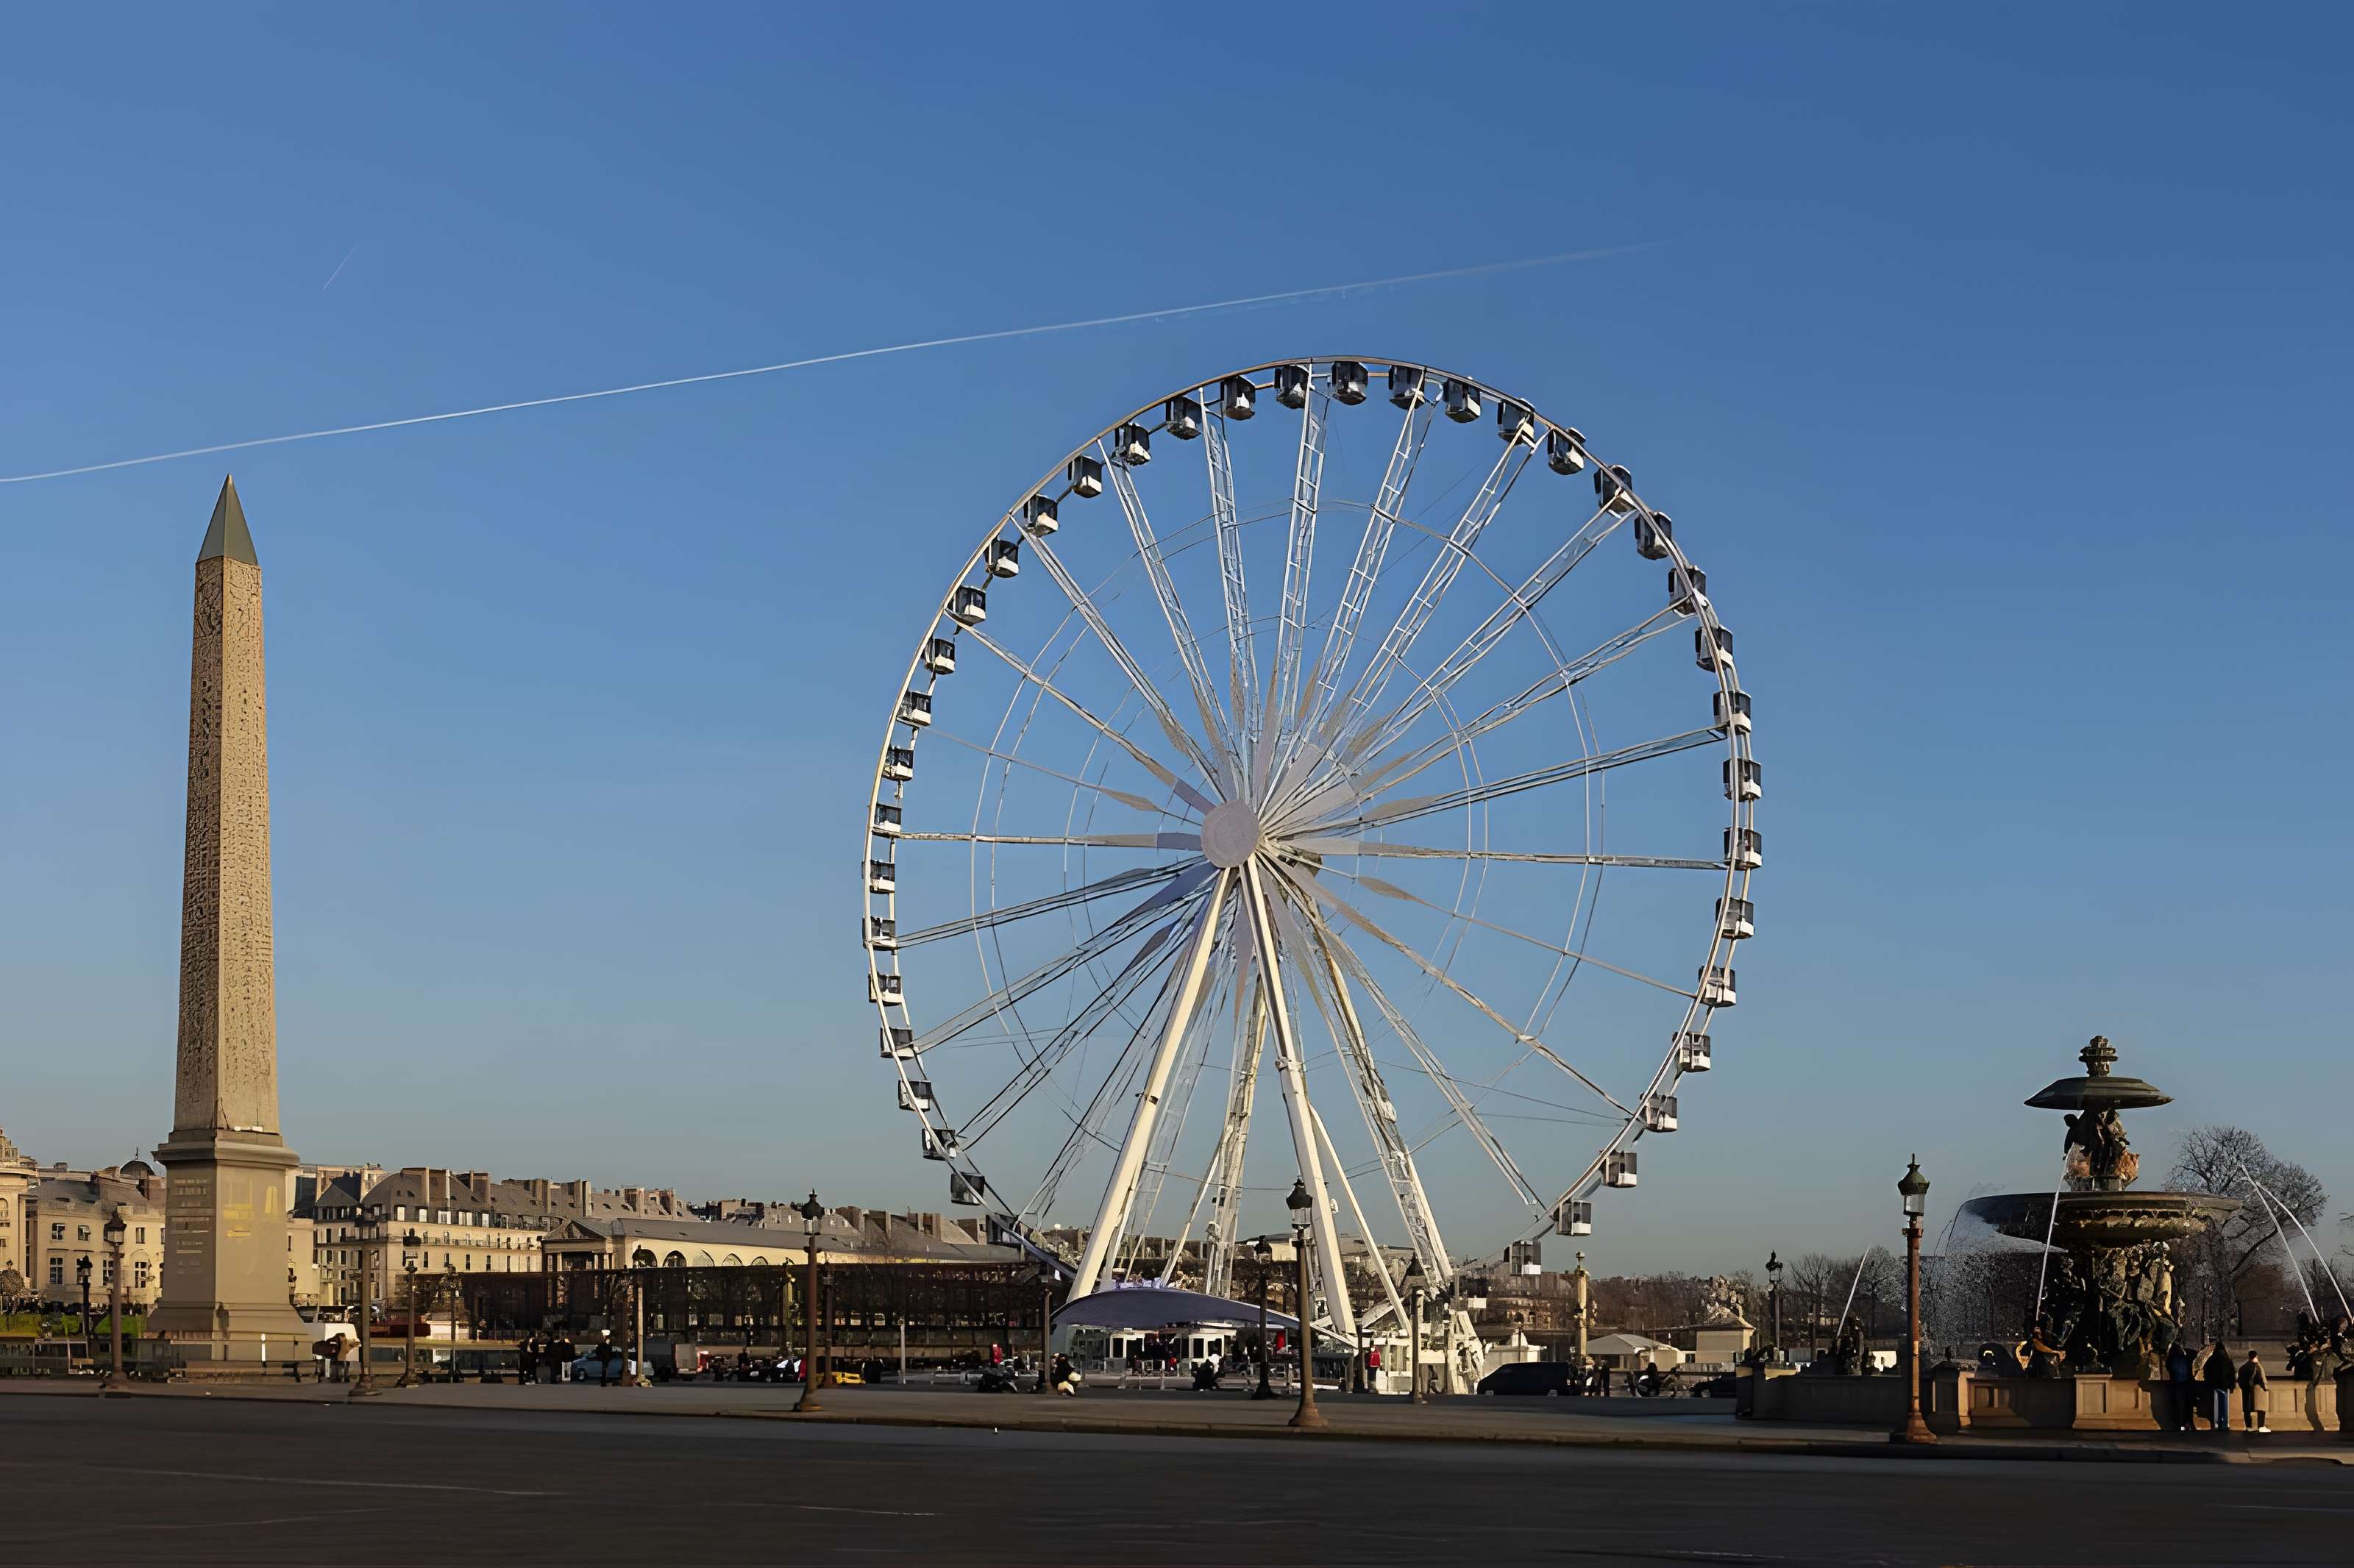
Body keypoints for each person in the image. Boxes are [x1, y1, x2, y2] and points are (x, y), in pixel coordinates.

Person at [2201, 1341, 2236, 1432]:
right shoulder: (2227, 1360)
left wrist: (2207, 1384)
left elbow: (2206, 1373)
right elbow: (2232, 1374)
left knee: (2215, 1406)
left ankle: (2216, 1424)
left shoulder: (2211, 1359)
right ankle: (2224, 1424)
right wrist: (2232, 1386)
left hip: (2214, 1386)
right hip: (2225, 1386)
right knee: (2224, 1406)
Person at [2163, 1341, 2196, 1433]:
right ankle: (2188, 1423)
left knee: (2178, 1406)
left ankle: (2180, 1424)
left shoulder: (2170, 1360)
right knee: (2188, 1406)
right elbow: (2193, 1355)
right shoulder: (2185, 1359)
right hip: (2186, 1385)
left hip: (2177, 1385)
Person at [2239, 1349, 2269, 1433]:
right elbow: (2259, 1379)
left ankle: (2248, 1426)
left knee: (2247, 1410)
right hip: (2256, 1391)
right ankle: (2261, 1426)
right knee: (2261, 1409)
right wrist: (2264, 1388)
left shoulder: (2243, 1367)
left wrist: (2244, 1388)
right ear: (2256, 1357)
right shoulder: (2257, 1367)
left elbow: (2240, 1380)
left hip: (2246, 1391)